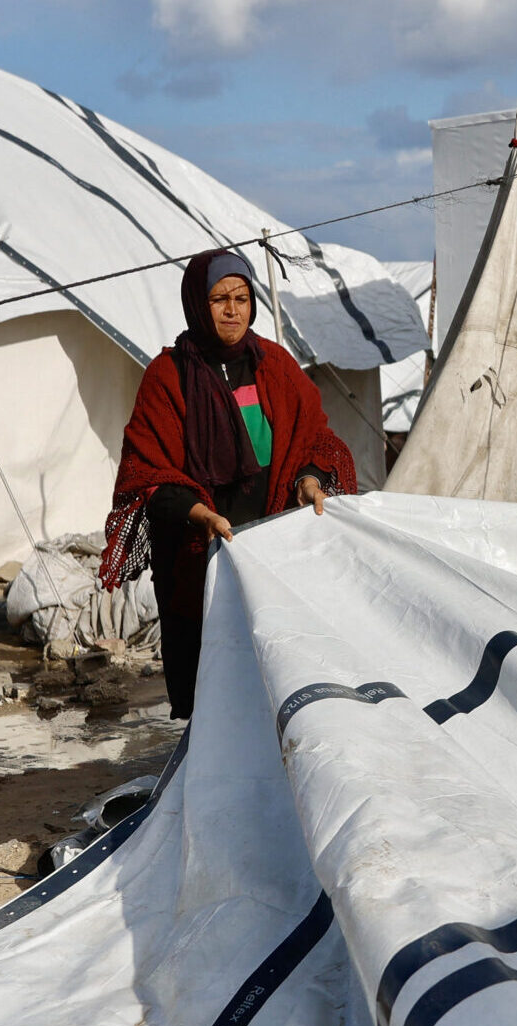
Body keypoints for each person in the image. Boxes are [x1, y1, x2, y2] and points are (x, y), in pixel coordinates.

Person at [101, 249, 356, 719]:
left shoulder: (274, 365)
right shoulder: (168, 377)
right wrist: (201, 515)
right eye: (219, 300)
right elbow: (148, 473)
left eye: (241, 298)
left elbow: (315, 438)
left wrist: (309, 480)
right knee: (212, 687)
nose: (233, 310)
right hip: (199, 556)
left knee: (276, 675)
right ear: (198, 305)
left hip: (272, 553)